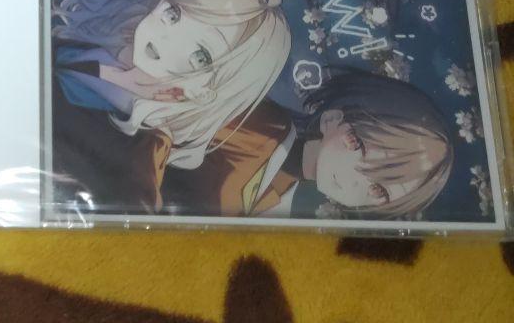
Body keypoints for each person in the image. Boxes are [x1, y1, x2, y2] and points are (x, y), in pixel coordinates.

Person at [52, 0, 291, 184]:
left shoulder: (139, 161)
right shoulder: (101, 55)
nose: (167, 38)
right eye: (173, 14)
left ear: (207, 91)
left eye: (200, 56)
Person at [160, 70, 455, 220]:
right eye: (359, 147)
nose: (357, 181)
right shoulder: (257, 123)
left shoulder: (282, 204)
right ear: (332, 119)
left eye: (379, 191)